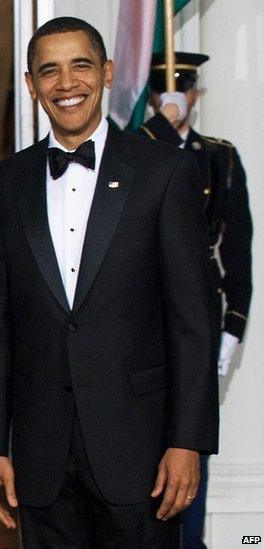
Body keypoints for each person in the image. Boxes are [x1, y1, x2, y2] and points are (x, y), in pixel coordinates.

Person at [0, 17, 218, 548]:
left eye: (80, 65)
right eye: (49, 71)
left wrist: (188, 442)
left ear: (107, 72)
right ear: (30, 84)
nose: (66, 84)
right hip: (40, 461)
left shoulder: (164, 171)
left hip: (143, 455)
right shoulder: (1, 185)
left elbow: (194, 320)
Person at [141, 50, 254, 549]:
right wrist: (161, 127)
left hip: (201, 312)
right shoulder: (134, 146)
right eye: (165, 91)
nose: (176, 99)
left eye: (182, 90)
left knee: (192, 436)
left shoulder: (219, 155)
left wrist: (232, 328)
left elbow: (239, 250)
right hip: (143, 313)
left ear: (196, 95)